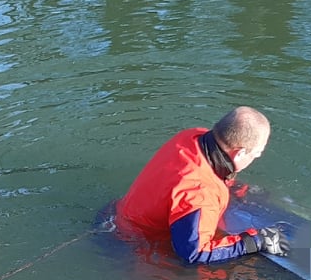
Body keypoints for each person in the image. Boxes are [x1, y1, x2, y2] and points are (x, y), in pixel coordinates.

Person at [116, 106, 288, 264]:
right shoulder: (200, 192)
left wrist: (232, 186)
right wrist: (257, 241)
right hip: (133, 244)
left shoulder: (192, 136)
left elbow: (190, 171)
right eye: (256, 154)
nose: (255, 158)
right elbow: (195, 253)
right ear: (240, 152)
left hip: (120, 215)